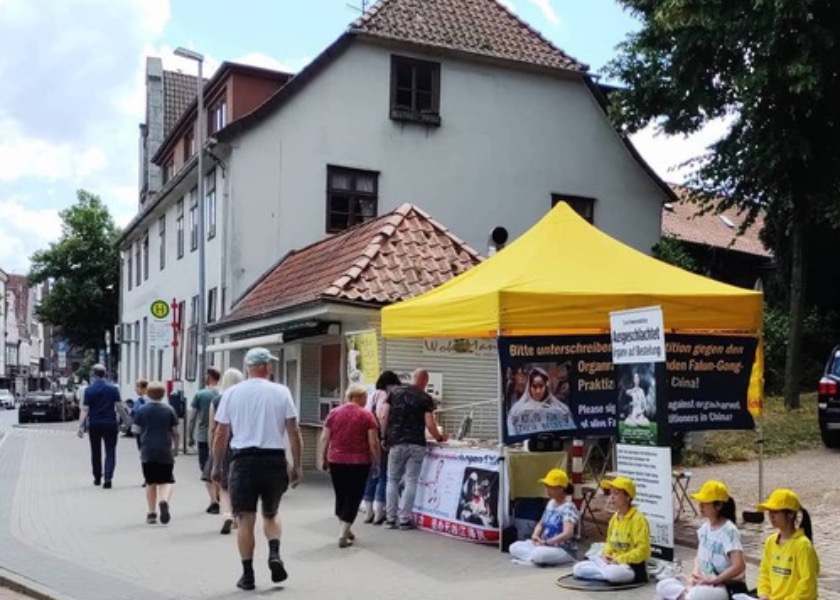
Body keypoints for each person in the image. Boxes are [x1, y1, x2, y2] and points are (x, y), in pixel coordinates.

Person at [212, 348, 303, 591]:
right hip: (273, 460)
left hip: (243, 462)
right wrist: (297, 465)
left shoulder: (231, 393)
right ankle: (274, 553)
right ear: (267, 367)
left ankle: (248, 575)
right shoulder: (281, 391)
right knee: (271, 514)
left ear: (247, 367)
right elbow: (294, 431)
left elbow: (221, 433)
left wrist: (217, 465)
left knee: (245, 519)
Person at [380, 368, 447, 530]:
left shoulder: (394, 393)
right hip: (417, 443)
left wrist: (384, 436)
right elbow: (430, 424)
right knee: (411, 480)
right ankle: (404, 519)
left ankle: (390, 519)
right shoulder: (425, 398)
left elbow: (383, 415)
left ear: (412, 378)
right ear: (425, 381)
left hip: (396, 442)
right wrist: (439, 438)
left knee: (392, 480)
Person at [656, 480, 747, 600]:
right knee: (662, 585)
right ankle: (685, 595)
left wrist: (714, 580)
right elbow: (699, 557)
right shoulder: (704, 529)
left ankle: (684, 595)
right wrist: (694, 574)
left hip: (723, 585)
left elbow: (738, 566)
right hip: (703, 582)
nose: (700, 506)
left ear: (718, 505)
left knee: (694, 596)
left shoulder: (729, 531)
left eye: (705, 503)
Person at [320, 383, 380, 547]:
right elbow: (373, 443)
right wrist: (376, 461)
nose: (365, 401)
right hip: (359, 462)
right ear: (358, 397)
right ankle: (342, 533)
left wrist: (323, 457)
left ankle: (346, 528)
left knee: (341, 495)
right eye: (365, 398)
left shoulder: (333, 413)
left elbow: (325, 438)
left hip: (336, 460)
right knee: (354, 496)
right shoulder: (367, 416)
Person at [573, 476, 650, 584]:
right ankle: (604, 572)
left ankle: (605, 572)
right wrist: (607, 554)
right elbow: (609, 542)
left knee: (613, 573)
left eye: (616, 493)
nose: (612, 497)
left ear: (628, 497)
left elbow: (643, 551)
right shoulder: (614, 518)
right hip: (612, 563)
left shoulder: (638, 519)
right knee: (578, 568)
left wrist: (619, 559)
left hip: (630, 567)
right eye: (611, 493)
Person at [748, 488, 819, 600]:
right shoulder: (770, 542)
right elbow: (764, 573)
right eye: (769, 511)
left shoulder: (803, 546)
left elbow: (807, 585)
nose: (771, 516)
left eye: (775, 511)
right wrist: (764, 594)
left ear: (790, 514)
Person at [203, 368, 245, 534]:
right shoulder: (246, 399)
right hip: (242, 444)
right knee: (238, 483)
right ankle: (236, 514)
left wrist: (212, 449)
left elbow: (213, 427)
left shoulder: (217, 400)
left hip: (224, 444)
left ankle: (227, 514)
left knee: (223, 484)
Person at [132, 381, 180, 525]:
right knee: (166, 481)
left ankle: (151, 513)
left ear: (147, 393)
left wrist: (140, 447)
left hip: (147, 451)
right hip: (165, 450)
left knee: (150, 482)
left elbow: (136, 430)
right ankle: (164, 501)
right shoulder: (169, 410)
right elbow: (176, 433)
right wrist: (175, 449)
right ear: (163, 394)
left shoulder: (141, 410)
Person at [509, 468, 579, 566]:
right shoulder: (550, 503)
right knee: (514, 547)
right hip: (544, 545)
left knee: (539, 554)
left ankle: (535, 559)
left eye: (551, 487)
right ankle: (534, 559)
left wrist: (548, 542)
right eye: (546, 486)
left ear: (561, 488)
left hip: (562, 549)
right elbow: (541, 524)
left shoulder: (568, 507)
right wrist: (535, 535)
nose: (547, 490)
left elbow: (567, 533)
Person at [77, 364, 128, 488]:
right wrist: (126, 421)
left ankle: (97, 477)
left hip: (94, 423)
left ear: (93, 374)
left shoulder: (88, 390)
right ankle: (108, 478)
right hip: (110, 423)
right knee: (110, 451)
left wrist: (81, 426)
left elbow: (85, 409)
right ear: (105, 374)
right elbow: (119, 407)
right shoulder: (113, 389)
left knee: (95, 451)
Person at [362, 370, 401, 525]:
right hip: (379, 437)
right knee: (383, 474)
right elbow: (382, 415)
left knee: (371, 474)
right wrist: (384, 435)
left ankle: (368, 511)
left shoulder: (371, 395)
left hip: (367, 436)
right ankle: (379, 513)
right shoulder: (385, 396)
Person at [189, 367, 221, 514]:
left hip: (203, 436)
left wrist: (190, 436)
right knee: (220, 466)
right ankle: (220, 494)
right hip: (223, 436)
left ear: (208, 377)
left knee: (206, 468)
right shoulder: (223, 394)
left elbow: (192, 418)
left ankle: (214, 501)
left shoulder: (200, 395)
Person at [507, 367, 574, 437]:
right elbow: (512, 433)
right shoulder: (517, 411)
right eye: (534, 387)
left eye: (541, 386)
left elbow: (569, 433)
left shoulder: (561, 410)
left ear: (546, 386)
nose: (538, 391)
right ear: (529, 387)